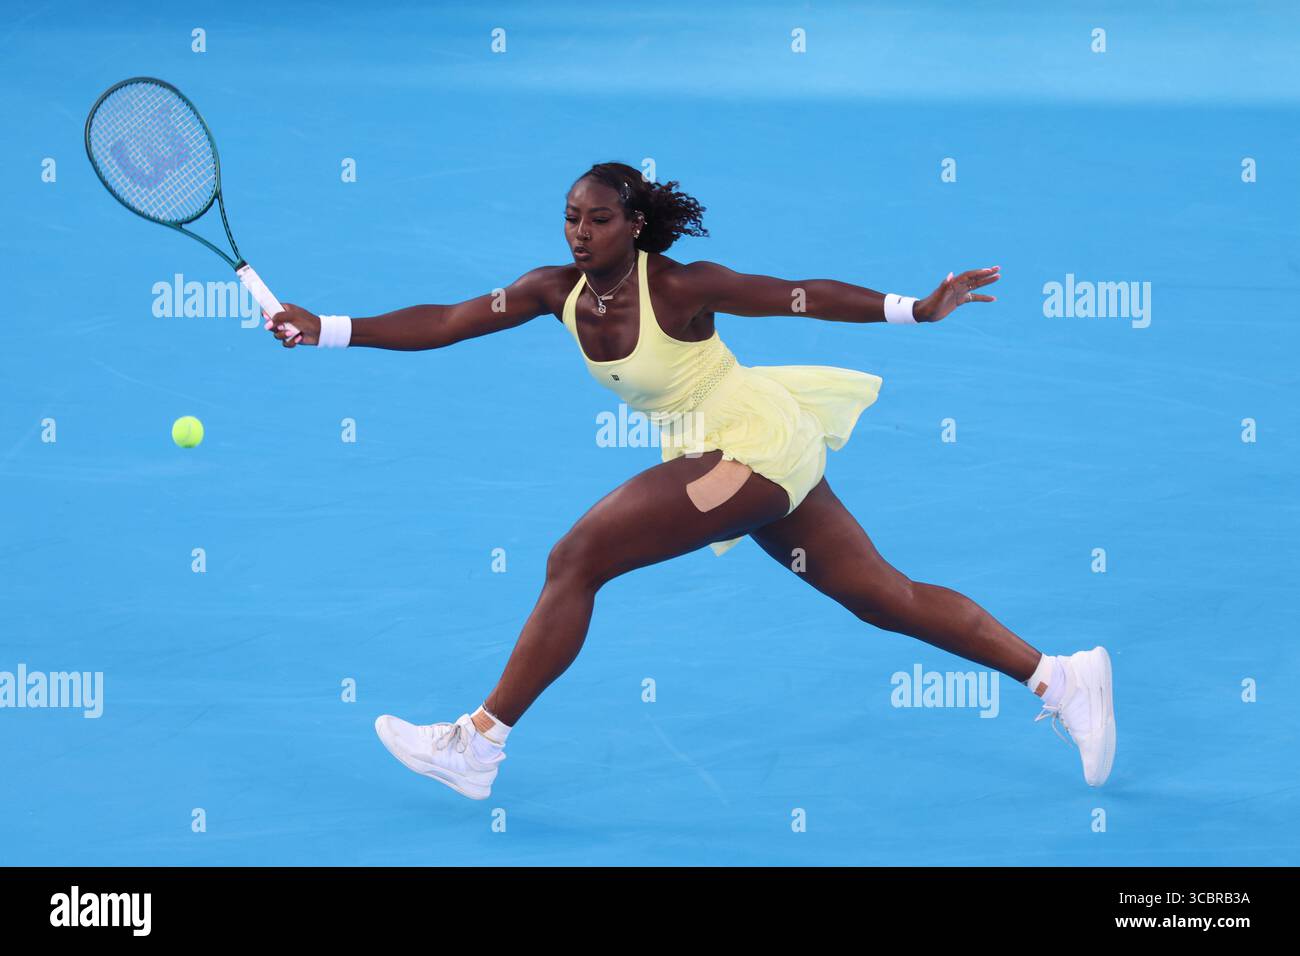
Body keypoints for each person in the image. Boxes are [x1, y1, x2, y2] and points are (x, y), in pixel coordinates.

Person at [266, 162, 1116, 799]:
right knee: (880, 596)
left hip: (749, 445)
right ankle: (1058, 676)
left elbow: (796, 296)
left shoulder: (678, 288)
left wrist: (914, 310)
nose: (579, 234)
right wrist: (328, 327)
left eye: (598, 219)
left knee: (579, 556)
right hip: (734, 453)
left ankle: (478, 742)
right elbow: (448, 321)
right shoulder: (548, 291)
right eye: (571, 219)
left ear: (634, 225)